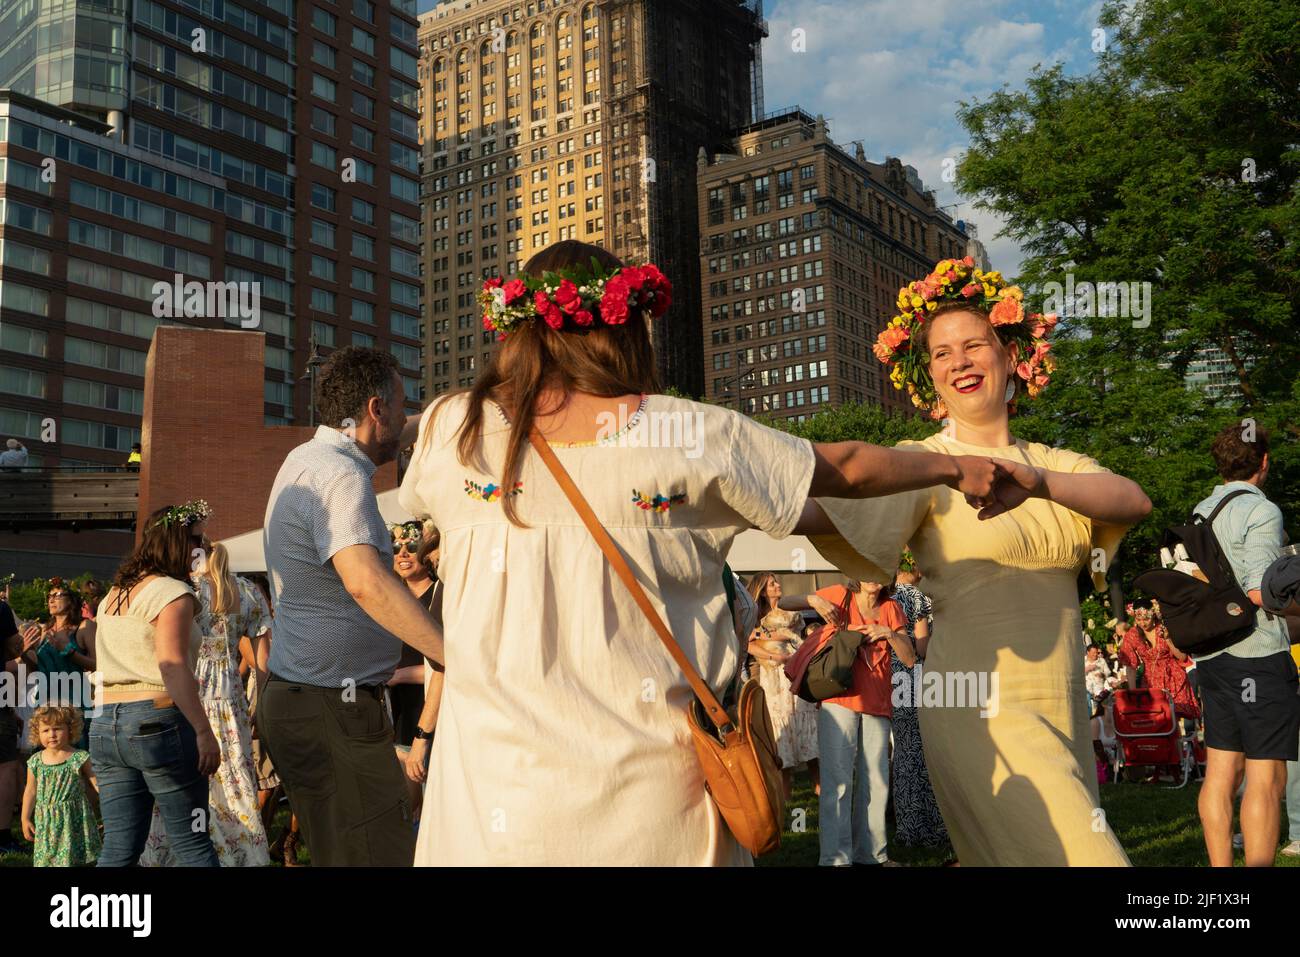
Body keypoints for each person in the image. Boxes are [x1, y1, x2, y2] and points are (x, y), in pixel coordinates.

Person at [397, 240, 1010, 866]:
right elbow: (842, 468)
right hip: (654, 813)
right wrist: (954, 465)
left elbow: (415, 509)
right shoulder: (682, 434)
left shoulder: (454, 428)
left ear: (518, 330)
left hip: (487, 814)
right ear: (629, 324)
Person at [802, 256, 1152, 866]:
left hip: (1061, 699)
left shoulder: (1055, 464)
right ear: (929, 378)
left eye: (973, 344)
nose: (959, 360)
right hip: (975, 702)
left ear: (1010, 357)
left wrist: (1036, 481)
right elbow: (829, 515)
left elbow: (1133, 500)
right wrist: (728, 498)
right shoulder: (926, 463)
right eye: (941, 353)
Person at [259, 347, 445, 867]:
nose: (406, 418)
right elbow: (365, 581)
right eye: (401, 405)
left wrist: (454, 410)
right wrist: (451, 656)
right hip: (330, 707)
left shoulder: (308, 458)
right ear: (374, 408)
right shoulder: (341, 475)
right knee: (377, 855)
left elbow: (399, 431)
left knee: (343, 853)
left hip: (304, 698)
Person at [1192, 423, 1300, 867]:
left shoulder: (1201, 510)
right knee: (1266, 777)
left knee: (1220, 773)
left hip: (1213, 656)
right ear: (1265, 462)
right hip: (1256, 655)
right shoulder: (1263, 511)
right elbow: (1262, 589)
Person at [92, 501, 220, 867]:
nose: (202, 547)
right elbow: (173, 666)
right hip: (156, 721)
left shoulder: (111, 596)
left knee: (118, 849)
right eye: (196, 538)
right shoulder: (171, 593)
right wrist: (203, 730)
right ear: (175, 541)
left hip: (104, 724)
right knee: (193, 844)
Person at [140, 541, 270, 866]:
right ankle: (241, 853)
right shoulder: (248, 590)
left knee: (183, 771)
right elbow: (264, 663)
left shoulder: (183, 589)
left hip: (188, 687)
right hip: (229, 695)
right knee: (232, 774)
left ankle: (173, 853)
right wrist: (260, 707)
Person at [789, 577, 913, 866]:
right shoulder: (839, 595)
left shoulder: (891, 608)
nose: (873, 578)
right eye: (866, 570)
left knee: (876, 782)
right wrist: (813, 600)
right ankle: (836, 859)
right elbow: (782, 602)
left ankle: (872, 855)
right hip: (839, 699)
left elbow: (909, 658)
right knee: (838, 780)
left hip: (877, 703)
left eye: (878, 571)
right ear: (856, 574)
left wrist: (889, 634)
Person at [890, 552, 949, 850]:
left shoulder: (886, 596)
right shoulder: (917, 598)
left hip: (886, 681)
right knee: (923, 753)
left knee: (901, 754)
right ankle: (930, 828)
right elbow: (923, 647)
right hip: (913, 678)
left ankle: (906, 827)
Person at [745, 572, 818, 799]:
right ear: (762, 591)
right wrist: (771, 652)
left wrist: (780, 637)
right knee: (781, 734)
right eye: (771, 583)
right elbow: (747, 639)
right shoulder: (756, 616)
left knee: (807, 734)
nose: (777, 585)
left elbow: (796, 637)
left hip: (793, 672)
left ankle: (821, 791)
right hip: (772, 676)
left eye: (776, 581)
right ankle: (785, 799)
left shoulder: (791, 612)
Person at [387, 520, 439, 824]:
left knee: (433, 812)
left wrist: (398, 676)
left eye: (411, 546)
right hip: (401, 719)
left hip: (434, 719)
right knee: (407, 811)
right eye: (396, 547)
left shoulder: (441, 596)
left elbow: (450, 663)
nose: (402, 553)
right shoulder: (392, 600)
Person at [19, 578, 97, 747]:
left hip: (73, 700)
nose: (51, 599)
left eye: (58, 595)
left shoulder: (84, 626)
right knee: (47, 755)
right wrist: (24, 654)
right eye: (49, 596)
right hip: (46, 700)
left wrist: (68, 651)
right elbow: (37, 670)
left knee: (74, 753)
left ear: (72, 600)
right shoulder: (45, 630)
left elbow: (96, 664)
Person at [20, 705, 100, 866]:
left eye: (57, 729)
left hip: (74, 818)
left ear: (70, 729)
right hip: (47, 820)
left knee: (76, 859)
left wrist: (111, 809)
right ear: (38, 733)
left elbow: (97, 784)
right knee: (48, 860)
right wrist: (24, 818)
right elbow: (30, 791)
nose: (52, 734)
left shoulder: (79, 757)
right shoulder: (35, 761)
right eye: (46, 730)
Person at [1118, 599, 1199, 724]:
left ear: (1153, 615)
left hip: (1174, 678)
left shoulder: (1164, 628)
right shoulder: (1132, 635)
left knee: (1172, 719)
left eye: (1146, 619)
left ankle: (1180, 742)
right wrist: (1133, 694)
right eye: (1139, 620)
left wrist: (1168, 640)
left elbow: (1182, 657)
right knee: (1156, 720)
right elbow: (1130, 666)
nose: (1143, 623)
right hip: (1150, 682)